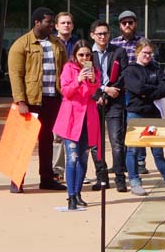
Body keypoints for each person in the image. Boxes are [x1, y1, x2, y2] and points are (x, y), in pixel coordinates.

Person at [8, 7, 68, 193]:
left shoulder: (57, 43)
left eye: (52, 22)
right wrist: (20, 101)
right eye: (48, 22)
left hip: (53, 98)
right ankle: (17, 180)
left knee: (47, 139)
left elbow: (65, 69)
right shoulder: (21, 44)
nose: (52, 25)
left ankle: (47, 178)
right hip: (31, 100)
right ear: (37, 22)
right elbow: (15, 75)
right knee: (23, 141)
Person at [52, 41, 101, 210]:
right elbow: (65, 91)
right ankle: (71, 195)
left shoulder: (94, 70)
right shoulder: (68, 68)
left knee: (83, 157)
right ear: (75, 55)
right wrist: (78, 80)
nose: (85, 58)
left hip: (88, 117)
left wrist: (93, 81)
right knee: (72, 157)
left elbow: (94, 93)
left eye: (88, 55)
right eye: (81, 55)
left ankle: (78, 193)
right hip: (72, 117)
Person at [123, 38, 165, 195]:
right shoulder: (130, 70)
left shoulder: (156, 68)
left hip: (153, 114)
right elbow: (136, 88)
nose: (148, 56)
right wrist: (152, 90)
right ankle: (135, 181)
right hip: (135, 114)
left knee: (157, 151)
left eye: (150, 53)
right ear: (137, 52)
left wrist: (147, 92)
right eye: (145, 53)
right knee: (133, 150)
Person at [90, 20, 130, 193]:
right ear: (92, 35)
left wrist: (111, 92)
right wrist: (101, 93)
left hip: (115, 100)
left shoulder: (118, 52)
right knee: (95, 143)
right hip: (95, 100)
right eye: (99, 33)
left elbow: (124, 74)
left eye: (105, 33)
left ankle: (120, 177)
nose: (102, 36)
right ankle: (101, 177)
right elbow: (89, 79)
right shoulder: (87, 55)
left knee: (116, 142)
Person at [111, 10, 149, 175]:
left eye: (130, 22)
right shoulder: (114, 43)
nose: (127, 25)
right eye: (124, 23)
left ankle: (140, 161)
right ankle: (119, 162)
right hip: (119, 92)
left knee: (137, 127)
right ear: (120, 25)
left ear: (135, 24)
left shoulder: (142, 42)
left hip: (136, 93)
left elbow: (149, 65)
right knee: (119, 128)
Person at [52, 12, 79, 182]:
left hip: (72, 95)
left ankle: (69, 168)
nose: (66, 25)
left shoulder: (77, 45)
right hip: (55, 93)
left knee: (71, 133)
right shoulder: (50, 43)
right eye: (63, 23)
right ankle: (56, 170)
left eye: (69, 22)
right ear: (56, 26)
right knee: (56, 134)